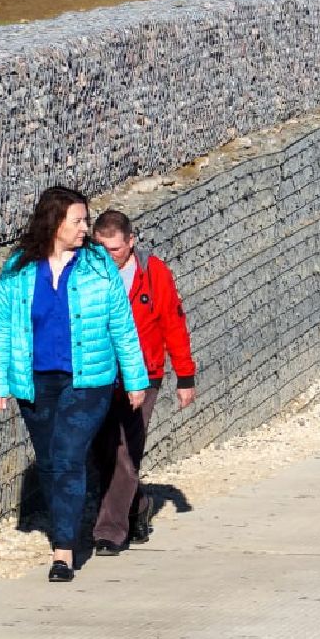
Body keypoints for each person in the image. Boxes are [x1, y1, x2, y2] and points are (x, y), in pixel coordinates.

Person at [0, 186, 149, 583]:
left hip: (88, 380)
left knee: (69, 455)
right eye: (77, 221)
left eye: (85, 220)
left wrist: (135, 378)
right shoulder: (19, 268)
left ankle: (64, 550)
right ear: (55, 222)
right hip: (35, 381)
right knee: (49, 461)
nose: (85, 228)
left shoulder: (98, 264)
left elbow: (122, 323)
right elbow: (1, 327)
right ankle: (63, 524)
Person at [90, 210, 198, 554]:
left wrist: (185, 376)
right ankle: (137, 505)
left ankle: (110, 531)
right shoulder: (87, 272)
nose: (108, 256)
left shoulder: (153, 272)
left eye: (115, 249)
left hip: (145, 375)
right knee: (100, 448)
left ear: (131, 242)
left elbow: (173, 324)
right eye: (101, 248)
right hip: (98, 373)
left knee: (126, 449)